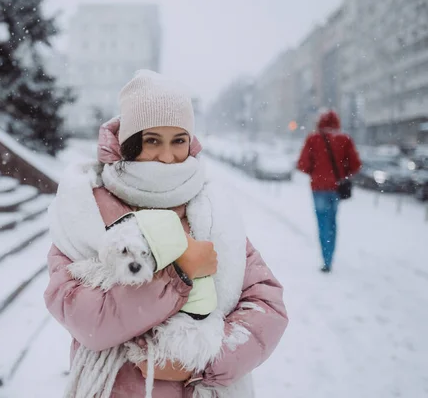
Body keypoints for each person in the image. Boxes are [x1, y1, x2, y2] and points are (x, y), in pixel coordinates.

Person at [45, 69, 288, 397]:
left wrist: (200, 362)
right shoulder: (85, 209)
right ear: (130, 144)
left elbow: (266, 304)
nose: (167, 156)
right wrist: (180, 273)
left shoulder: (211, 208)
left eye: (178, 141)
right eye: (152, 141)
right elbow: (85, 319)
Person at [297, 110, 362, 273]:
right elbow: (355, 165)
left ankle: (326, 259)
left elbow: (302, 164)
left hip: (318, 188)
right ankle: (330, 257)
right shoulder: (345, 139)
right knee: (332, 223)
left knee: (322, 223)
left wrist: (316, 171)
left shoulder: (313, 139)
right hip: (335, 188)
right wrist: (341, 173)